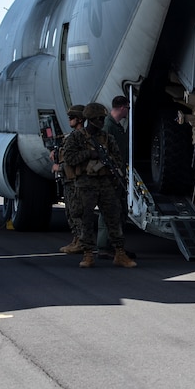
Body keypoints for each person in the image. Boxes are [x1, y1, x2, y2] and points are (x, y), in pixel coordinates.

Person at [62, 102, 137, 268]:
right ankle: (88, 254)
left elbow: (117, 159)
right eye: (98, 119)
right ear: (89, 119)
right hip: (85, 183)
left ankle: (119, 253)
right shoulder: (76, 138)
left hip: (105, 183)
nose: (101, 122)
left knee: (113, 217)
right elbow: (69, 158)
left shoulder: (107, 138)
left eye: (103, 118)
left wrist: (112, 170)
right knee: (87, 219)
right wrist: (90, 154)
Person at [97, 95, 131, 257]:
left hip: (117, 176)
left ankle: (114, 245)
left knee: (119, 211)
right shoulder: (107, 127)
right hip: (109, 176)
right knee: (108, 210)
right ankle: (104, 246)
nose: (128, 112)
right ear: (123, 108)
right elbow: (102, 153)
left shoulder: (115, 127)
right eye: (128, 108)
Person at [54, 105, 86, 254]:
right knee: (70, 212)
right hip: (69, 179)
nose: (69, 120)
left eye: (72, 118)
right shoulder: (73, 136)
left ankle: (81, 241)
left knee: (76, 211)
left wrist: (59, 168)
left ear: (80, 119)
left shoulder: (80, 137)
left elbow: (73, 160)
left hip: (75, 180)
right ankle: (76, 239)